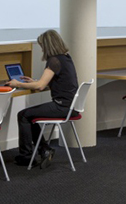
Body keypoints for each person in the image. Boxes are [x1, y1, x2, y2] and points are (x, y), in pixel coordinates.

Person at [7, 29, 78, 169]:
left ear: (47, 46)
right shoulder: (65, 58)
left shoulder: (54, 60)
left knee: (23, 115)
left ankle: (27, 156)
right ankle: (44, 150)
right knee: (29, 116)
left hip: (61, 107)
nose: (41, 50)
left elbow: (40, 86)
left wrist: (18, 84)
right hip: (70, 106)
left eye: (42, 47)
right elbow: (48, 83)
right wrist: (32, 81)